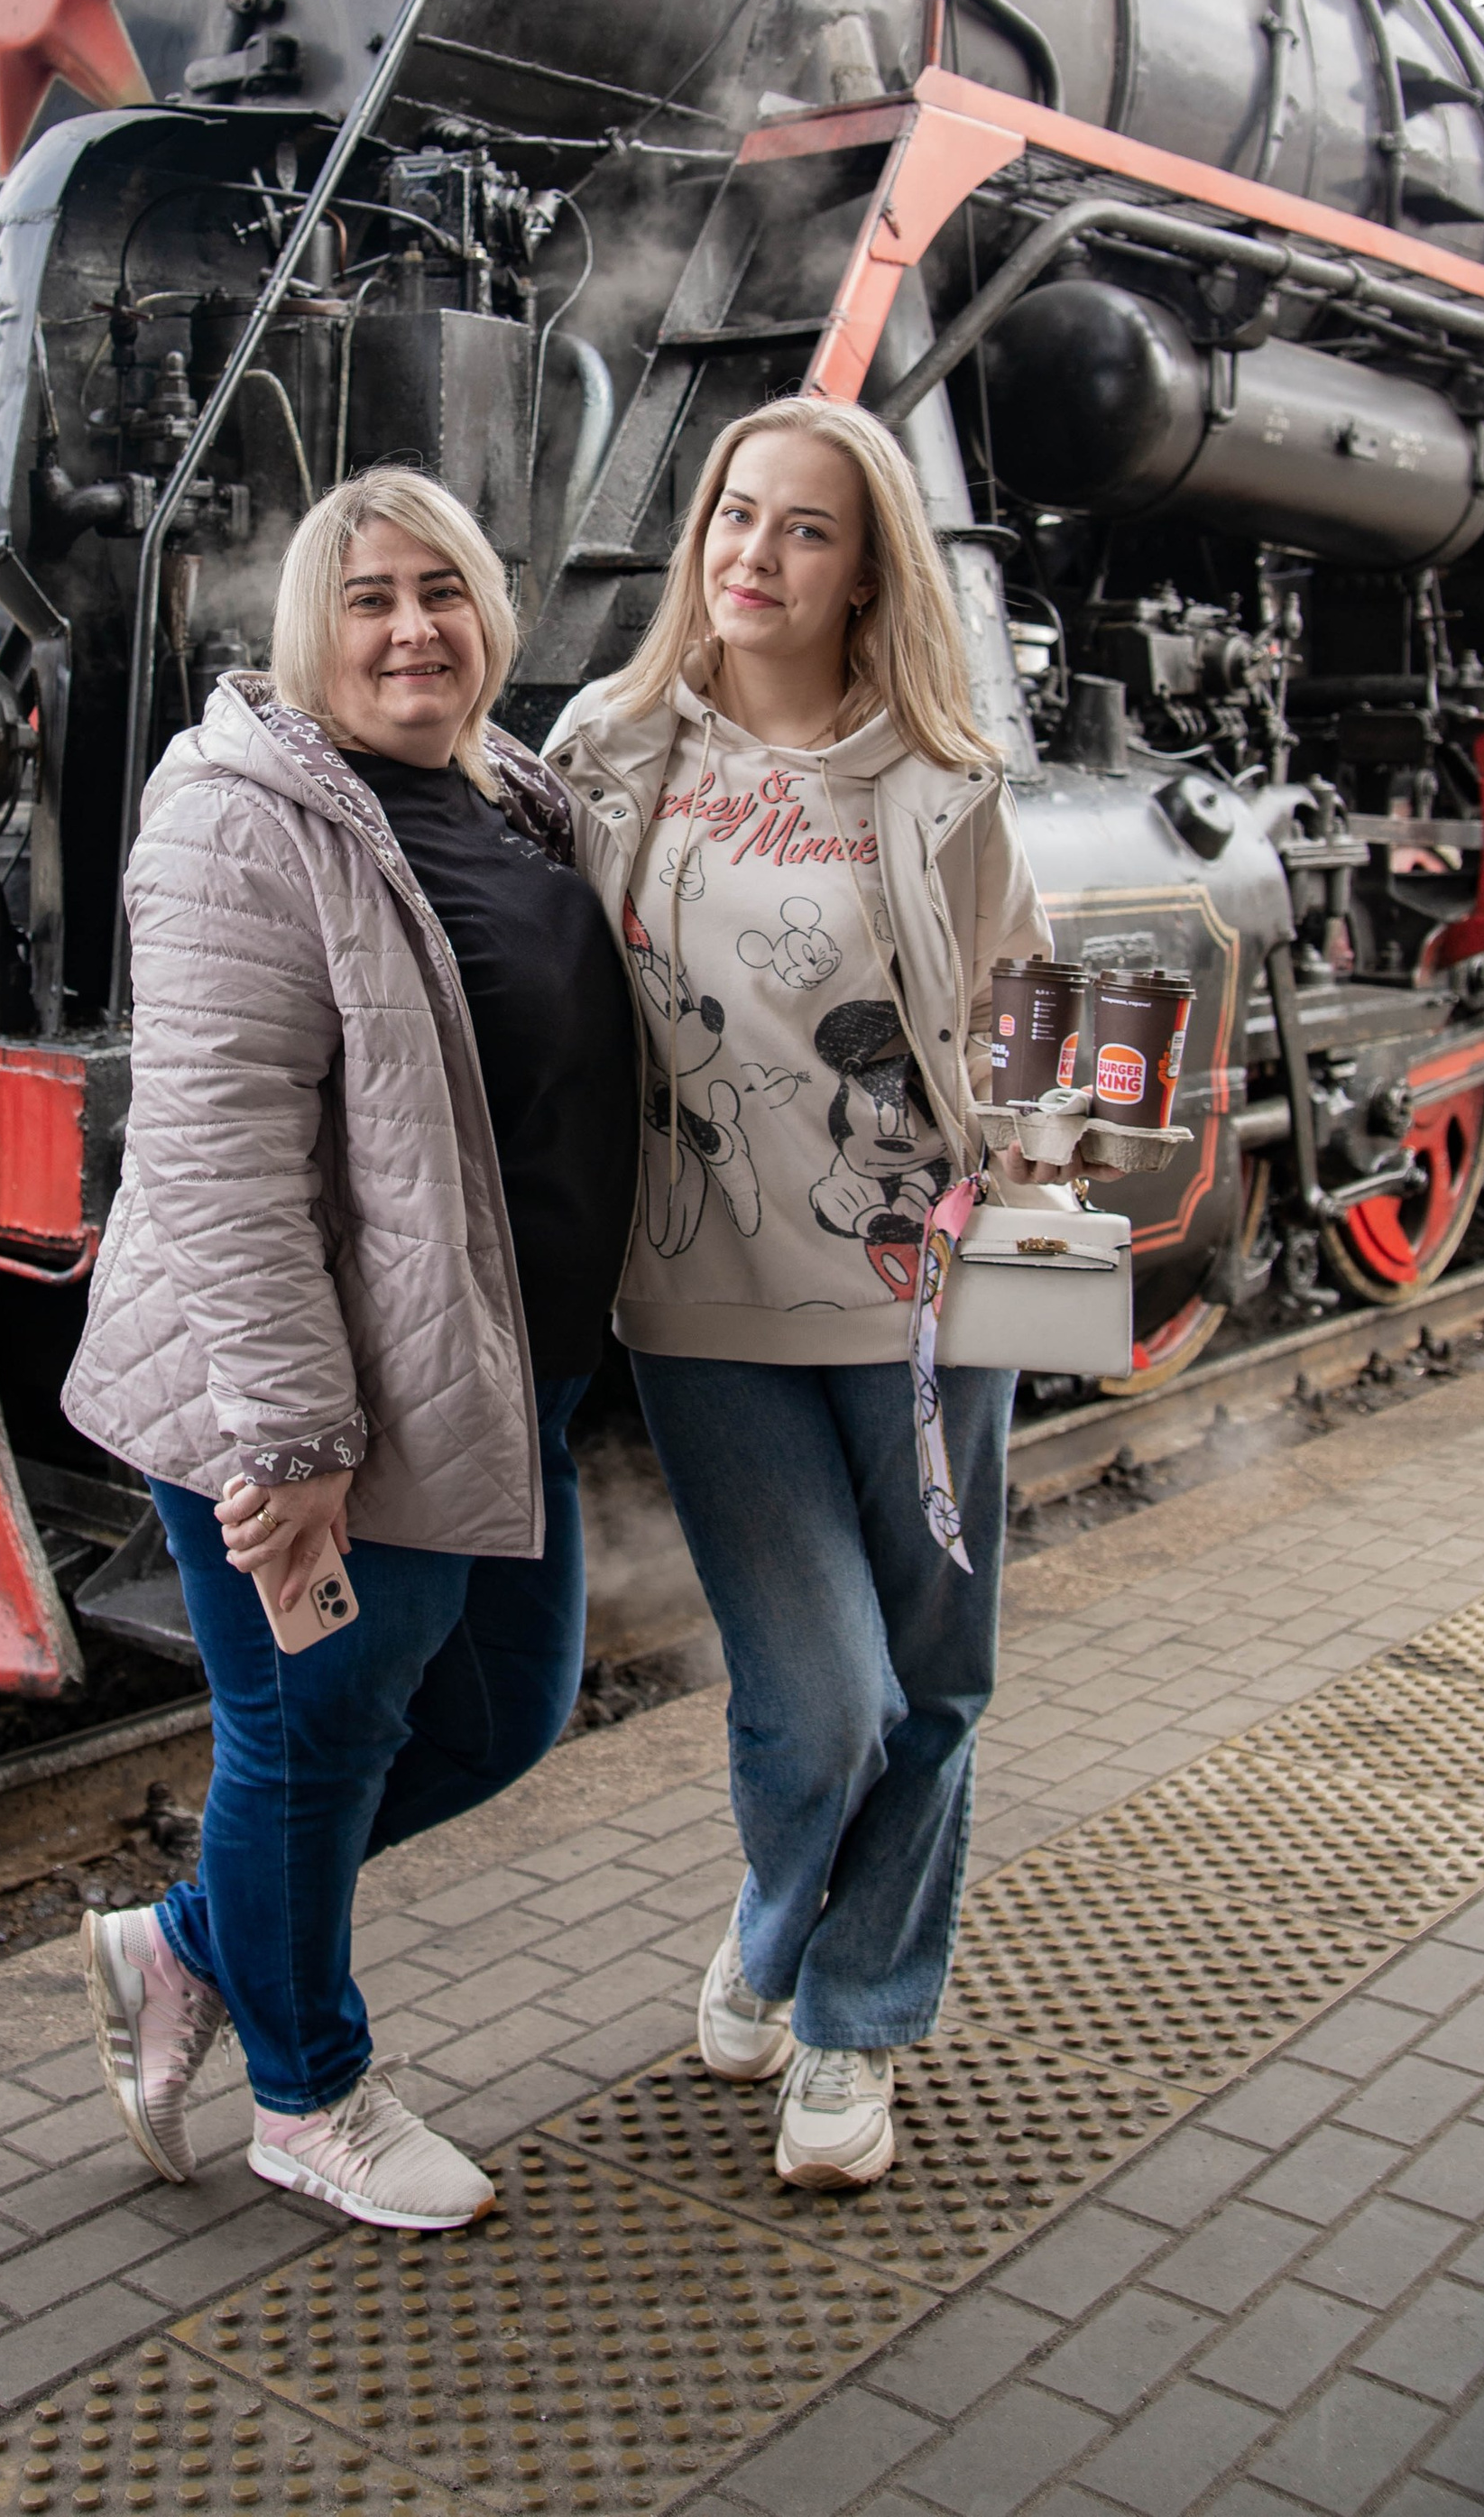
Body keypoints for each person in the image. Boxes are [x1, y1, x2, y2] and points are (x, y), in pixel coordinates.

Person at [67, 467, 638, 2232]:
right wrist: (289, 1435)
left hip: (490, 1370)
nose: (410, 627)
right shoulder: (241, 815)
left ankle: (181, 1943)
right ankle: (306, 2094)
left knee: (494, 1718)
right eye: (369, 597)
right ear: (309, 630)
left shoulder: (513, 801)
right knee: (311, 1737)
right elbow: (216, 1156)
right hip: (321, 1403)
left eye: (442, 591)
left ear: (492, 615)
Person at [545, 393, 1050, 2190]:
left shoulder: (940, 782)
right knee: (818, 1705)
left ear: (863, 574)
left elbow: (1025, 1025)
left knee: (932, 1683)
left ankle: (851, 2022)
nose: (750, 555)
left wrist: (1061, 1197)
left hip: (929, 1308)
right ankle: (774, 1925)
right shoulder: (605, 750)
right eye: (732, 517)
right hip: (701, 1305)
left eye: (803, 530)